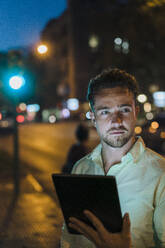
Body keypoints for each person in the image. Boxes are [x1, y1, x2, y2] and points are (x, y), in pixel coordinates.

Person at [60, 68, 165, 248]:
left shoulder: (160, 172)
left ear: (135, 112)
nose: (116, 121)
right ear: (93, 117)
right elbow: (70, 240)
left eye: (124, 109)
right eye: (105, 111)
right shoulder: (81, 168)